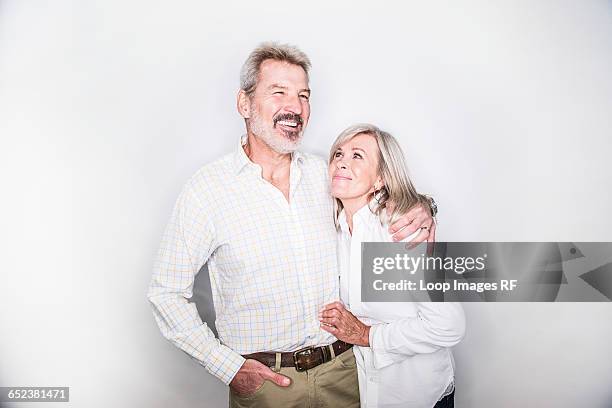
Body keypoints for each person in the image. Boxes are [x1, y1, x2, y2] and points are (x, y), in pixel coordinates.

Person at [147, 43, 436, 408]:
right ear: (245, 104)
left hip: (345, 374)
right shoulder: (207, 190)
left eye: (303, 95)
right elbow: (165, 292)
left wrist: (426, 207)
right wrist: (228, 367)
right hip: (267, 386)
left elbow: (386, 194)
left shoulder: (328, 175)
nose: (295, 107)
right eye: (278, 92)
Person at [319, 124, 465, 408]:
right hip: (367, 395)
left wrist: (366, 335)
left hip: (421, 397)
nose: (342, 162)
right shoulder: (335, 231)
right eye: (338, 154)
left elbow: (450, 326)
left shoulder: (402, 232)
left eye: (357, 156)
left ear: (380, 180)